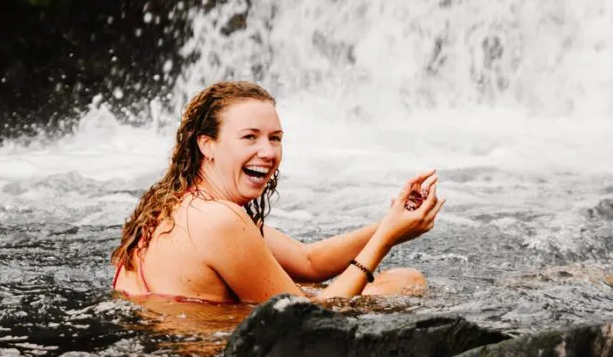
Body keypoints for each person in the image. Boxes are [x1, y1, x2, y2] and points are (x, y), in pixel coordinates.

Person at [112, 79, 443, 305]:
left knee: (325, 284)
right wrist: (385, 239)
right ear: (207, 144)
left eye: (275, 138)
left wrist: (390, 223)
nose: (268, 152)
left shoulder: (177, 203)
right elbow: (307, 321)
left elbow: (308, 262)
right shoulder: (218, 220)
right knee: (404, 281)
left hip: (167, 356)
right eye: (250, 137)